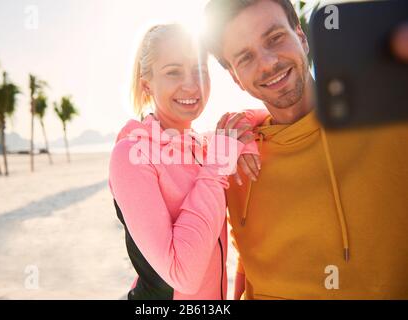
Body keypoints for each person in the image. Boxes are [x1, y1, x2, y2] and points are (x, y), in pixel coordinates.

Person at [204, 0, 408, 299]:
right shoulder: (236, 157)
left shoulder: (387, 121)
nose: (267, 63)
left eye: (275, 38)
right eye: (245, 57)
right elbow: (245, 267)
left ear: (301, 36)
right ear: (235, 76)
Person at [108, 24, 266, 299]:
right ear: (147, 84)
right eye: (173, 72)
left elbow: (258, 114)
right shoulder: (131, 154)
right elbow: (183, 274)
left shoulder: (201, 146)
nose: (192, 84)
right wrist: (218, 163)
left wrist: (243, 134)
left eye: (200, 71)